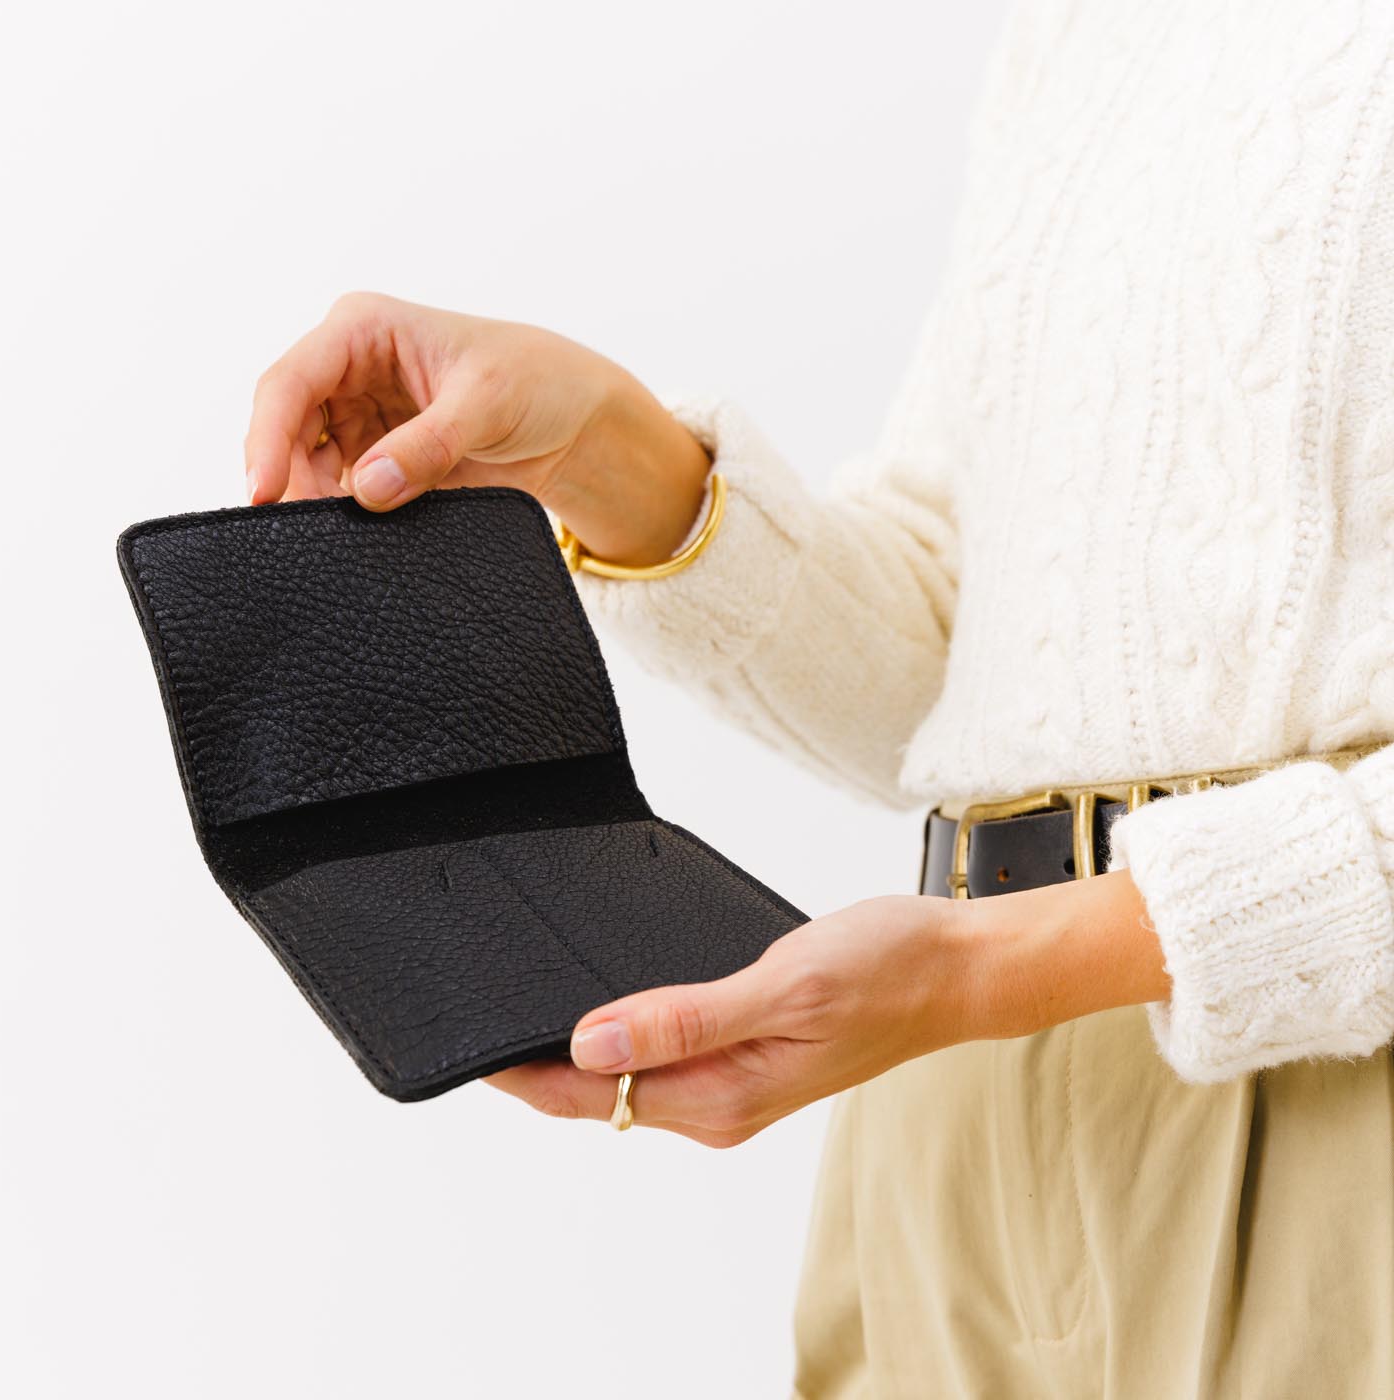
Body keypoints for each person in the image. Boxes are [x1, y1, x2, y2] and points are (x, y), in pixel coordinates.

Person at [242, 3, 1394, 1393]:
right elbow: (954, 672)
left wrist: (996, 967)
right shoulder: (1086, 36)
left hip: (1336, 1115)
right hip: (955, 1115)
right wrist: (603, 449)